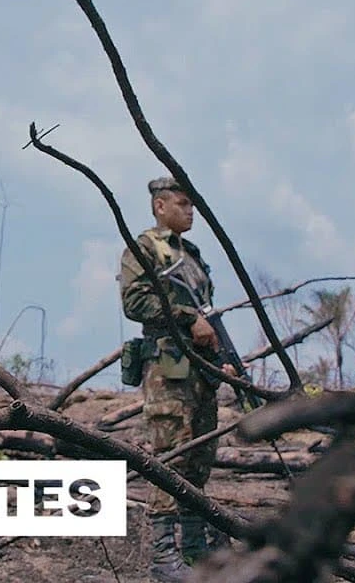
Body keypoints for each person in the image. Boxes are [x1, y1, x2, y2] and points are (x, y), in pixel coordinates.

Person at [118, 177, 234, 581]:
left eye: (192, 204)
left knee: (200, 459)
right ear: (160, 206)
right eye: (183, 204)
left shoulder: (193, 255)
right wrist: (188, 319)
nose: (191, 211)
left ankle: (194, 549)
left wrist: (221, 358)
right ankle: (163, 556)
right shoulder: (144, 247)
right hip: (167, 369)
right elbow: (134, 302)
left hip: (201, 370)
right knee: (171, 456)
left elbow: (209, 312)